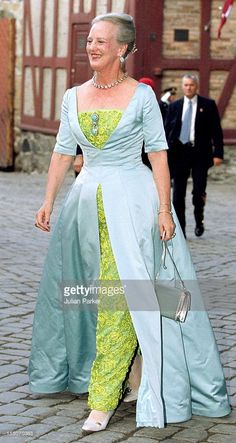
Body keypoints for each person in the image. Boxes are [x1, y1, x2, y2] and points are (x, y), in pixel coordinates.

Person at [29, 13, 230, 434]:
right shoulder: (73, 96)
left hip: (134, 206)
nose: (93, 46)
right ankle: (134, 378)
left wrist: (163, 210)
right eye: (90, 40)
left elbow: (158, 155)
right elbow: (64, 153)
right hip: (85, 208)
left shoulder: (140, 98)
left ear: (123, 49)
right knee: (94, 293)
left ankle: (102, 399)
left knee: (128, 294)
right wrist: (48, 201)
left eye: (102, 41)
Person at [165, 74, 223, 238]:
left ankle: (199, 219)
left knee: (198, 191)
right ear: (182, 86)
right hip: (179, 153)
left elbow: (216, 131)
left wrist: (218, 153)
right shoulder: (174, 106)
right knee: (177, 194)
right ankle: (181, 231)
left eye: (191, 85)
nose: (188, 88)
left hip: (200, 154)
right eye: (186, 85)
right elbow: (167, 129)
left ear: (196, 86)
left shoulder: (208, 105)